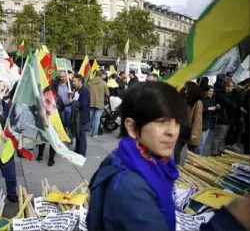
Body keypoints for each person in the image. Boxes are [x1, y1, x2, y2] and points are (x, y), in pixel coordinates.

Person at [87, 81, 187, 230]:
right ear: (132, 127)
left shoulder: (146, 161)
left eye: (177, 122)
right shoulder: (132, 187)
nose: (172, 131)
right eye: (161, 122)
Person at [174, 81, 203, 165]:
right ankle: (176, 167)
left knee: (192, 155)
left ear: (192, 90)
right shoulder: (185, 99)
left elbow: (197, 119)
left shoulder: (198, 103)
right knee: (176, 150)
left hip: (191, 132)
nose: (185, 91)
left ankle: (191, 169)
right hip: (182, 130)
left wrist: (194, 133)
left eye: (187, 89)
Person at [210, 79, 238, 156]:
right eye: (231, 86)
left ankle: (220, 151)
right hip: (222, 119)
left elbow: (234, 105)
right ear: (226, 86)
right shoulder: (221, 94)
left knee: (223, 137)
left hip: (227, 119)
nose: (233, 88)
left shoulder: (230, 95)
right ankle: (214, 152)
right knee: (218, 136)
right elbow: (230, 104)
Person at [36, 93, 65, 167]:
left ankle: (40, 156)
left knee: (43, 139)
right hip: (54, 122)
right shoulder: (58, 97)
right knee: (53, 141)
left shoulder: (43, 97)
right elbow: (61, 109)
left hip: (44, 121)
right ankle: (51, 160)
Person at [70, 74, 90, 157]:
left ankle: (82, 153)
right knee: (77, 134)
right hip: (76, 116)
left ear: (80, 81)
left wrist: (72, 101)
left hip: (82, 116)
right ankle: (77, 150)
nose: (73, 83)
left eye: (74, 81)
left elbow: (83, 104)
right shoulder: (76, 89)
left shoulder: (85, 91)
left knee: (82, 135)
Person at [52, 71, 74, 143]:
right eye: (60, 77)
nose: (62, 78)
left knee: (68, 123)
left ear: (66, 76)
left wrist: (72, 95)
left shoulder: (70, 84)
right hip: (59, 107)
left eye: (63, 77)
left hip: (68, 107)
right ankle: (62, 137)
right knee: (61, 122)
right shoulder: (56, 84)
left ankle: (69, 137)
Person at [196, 85, 219, 155]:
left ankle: (197, 156)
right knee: (200, 143)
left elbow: (213, 112)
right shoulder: (201, 100)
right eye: (210, 91)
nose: (211, 93)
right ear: (205, 92)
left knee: (202, 142)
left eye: (212, 91)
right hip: (202, 124)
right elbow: (198, 112)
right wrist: (208, 109)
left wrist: (217, 108)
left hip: (208, 124)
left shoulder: (211, 99)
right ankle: (196, 158)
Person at [87, 70, 109, 137]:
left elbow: (87, 91)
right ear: (101, 75)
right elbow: (107, 93)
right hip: (100, 103)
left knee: (90, 116)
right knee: (97, 119)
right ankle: (95, 133)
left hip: (91, 102)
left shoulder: (89, 82)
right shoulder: (104, 83)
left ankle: (88, 128)